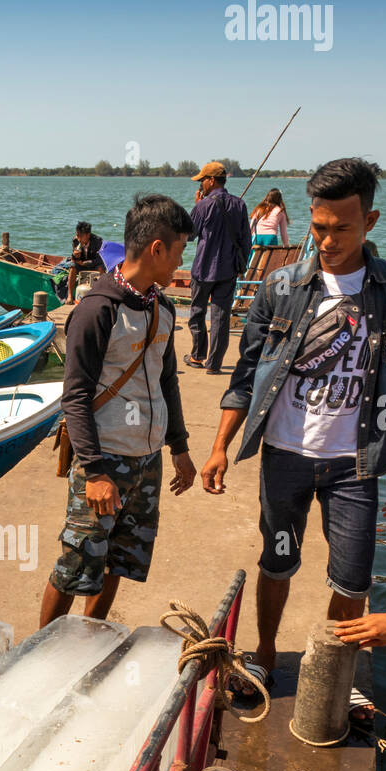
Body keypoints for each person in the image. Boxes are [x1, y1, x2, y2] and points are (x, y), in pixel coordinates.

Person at [200, 157, 386, 709]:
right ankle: (266, 657)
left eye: (342, 228)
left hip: (357, 462)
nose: (327, 240)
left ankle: (332, 672)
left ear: (369, 221)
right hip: (286, 458)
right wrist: (221, 446)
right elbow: (247, 375)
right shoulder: (280, 287)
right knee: (277, 561)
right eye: (319, 227)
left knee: (352, 580)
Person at [40, 194, 197, 627]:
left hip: (146, 461)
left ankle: (92, 637)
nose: (181, 262)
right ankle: (37, 652)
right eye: (180, 250)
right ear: (157, 249)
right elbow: (75, 396)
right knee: (76, 562)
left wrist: (179, 447)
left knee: (118, 561)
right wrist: (93, 471)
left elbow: (167, 381)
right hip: (105, 458)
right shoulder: (96, 310)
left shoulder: (162, 308)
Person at [186, 162, 252, 374]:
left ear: (211, 180)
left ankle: (197, 355)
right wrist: (242, 265)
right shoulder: (239, 205)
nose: (200, 185)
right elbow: (246, 241)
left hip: (203, 268)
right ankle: (214, 364)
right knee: (221, 318)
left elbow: (189, 235)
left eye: (202, 180)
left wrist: (196, 205)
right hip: (228, 270)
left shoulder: (203, 206)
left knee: (197, 311)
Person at [66, 221, 105, 304]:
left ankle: (100, 294)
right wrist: (75, 255)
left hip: (93, 264)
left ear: (88, 235)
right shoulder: (75, 240)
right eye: (77, 235)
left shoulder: (98, 241)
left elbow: (100, 259)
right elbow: (74, 259)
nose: (78, 238)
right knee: (72, 267)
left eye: (80, 236)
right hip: (81, 264)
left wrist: (85, 263)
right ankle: (69, 296)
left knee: (101, 268)